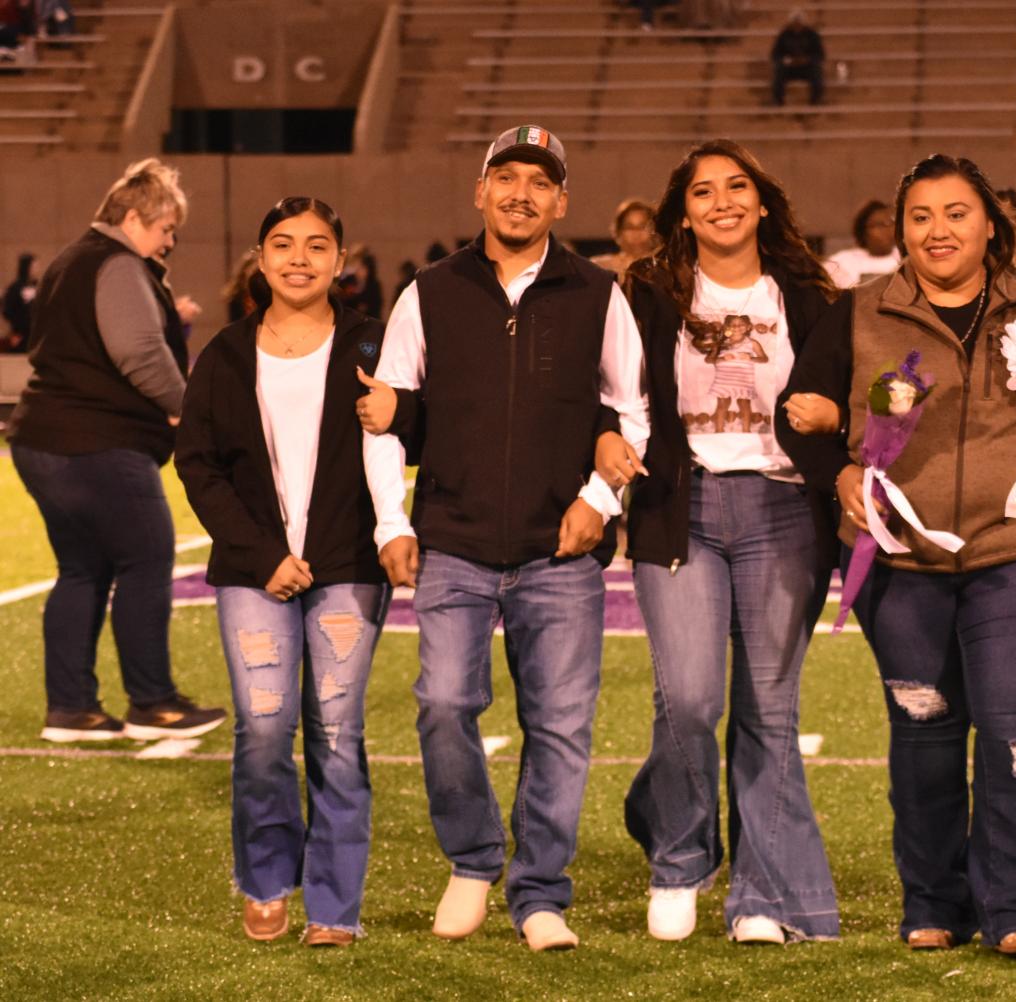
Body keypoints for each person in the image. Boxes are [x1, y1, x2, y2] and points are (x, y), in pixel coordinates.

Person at [777, 154, 1016, 956]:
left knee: (1014, 727)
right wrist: (840, 471)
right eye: (920, 216)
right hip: (898, 563)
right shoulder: (855, 313)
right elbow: (798, 416)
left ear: (990, 223)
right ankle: (933, 901)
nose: (937, 230)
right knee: (923, 734)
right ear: (900, 230)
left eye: (956, 213)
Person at [357, 124, 649, 951]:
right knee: (444, 703)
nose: (522, 192)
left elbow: (633, 411)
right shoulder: (428, 291)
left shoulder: (597, 291)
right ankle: (474, 859)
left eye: (540, 181)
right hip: (453, 540)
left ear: (562, 200)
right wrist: (390, 518)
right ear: (479, 191)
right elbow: (383, 413)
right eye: (506, 177)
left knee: (559, 725)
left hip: (560, 550)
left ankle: (541, 890)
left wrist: (599, 499)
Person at [601, 139, 842, 945]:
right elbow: (606, 387)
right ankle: (678, 854)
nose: (722, 201)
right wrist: (606, 444)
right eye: (702, 191)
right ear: (684, 212)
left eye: (736, 186)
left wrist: (832, 419)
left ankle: (762, 897)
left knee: (769, 710)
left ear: (763, 202)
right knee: (691, 698)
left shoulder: (808, 292)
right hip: (683, 506)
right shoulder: (646, 290)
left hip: (783, 512)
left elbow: (846, 394)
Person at [176, 197, 389, 948]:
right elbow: (196, 464)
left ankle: (334, 903)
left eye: (317, 244)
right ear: (261, 260)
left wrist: (403, 408)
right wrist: (263, 553)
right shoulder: (226, 353)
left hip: (348, 566)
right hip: (252, 569)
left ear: (340, 261)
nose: (299, 257)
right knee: (265, 728)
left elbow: (413, 436)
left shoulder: (372, 346)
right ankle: (266, 878)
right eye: (283, 244)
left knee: (335, 731)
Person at [8, 159, 226, 744]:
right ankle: (153, 703)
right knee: (147, 560)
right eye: (165, 229)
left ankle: (71, 709)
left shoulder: (73, 259)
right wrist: (187, 409)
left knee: (82, 569)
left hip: (42, 438)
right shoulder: (116, 263)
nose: (170, 241)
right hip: (96, 442)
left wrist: (166, 318)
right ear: (133, 218)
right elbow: (138, 354)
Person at [823, 200, 900, 289]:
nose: (888, 230)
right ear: (863, 231)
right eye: (880, 225)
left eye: (891, 223)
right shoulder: (840, 263)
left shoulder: (908, 260)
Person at [590, 198, 657, 281]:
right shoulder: (600, 266)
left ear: (653, 230)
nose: (636, 232)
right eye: (630, 227)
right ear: (619, 231)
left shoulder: (662, 269)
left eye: (642, 226)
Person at [771, 10, 825, 106]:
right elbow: (775, 54)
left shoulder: (812, 35)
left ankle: (815, 102)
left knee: (817, 73)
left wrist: (807, 59)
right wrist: (786, 60)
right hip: (788, 68)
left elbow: (820, 54)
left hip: (807, 67)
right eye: (794, 23)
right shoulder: (784, 35)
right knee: (778, 72)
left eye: (799, 23)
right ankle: (779, 102)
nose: (797, 25)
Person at [337, 245, 384, 319]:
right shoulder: (348, 280)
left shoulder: (373, 285)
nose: (358, 270)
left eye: (362, 267)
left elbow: (376, 305)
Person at [2, 252, 37, 351]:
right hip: (20, 334)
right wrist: (16, 330)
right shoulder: (15, 288)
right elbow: (8, 310)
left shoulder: (37, 285)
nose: (35, 269)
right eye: (33, 266)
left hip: (35, 333)